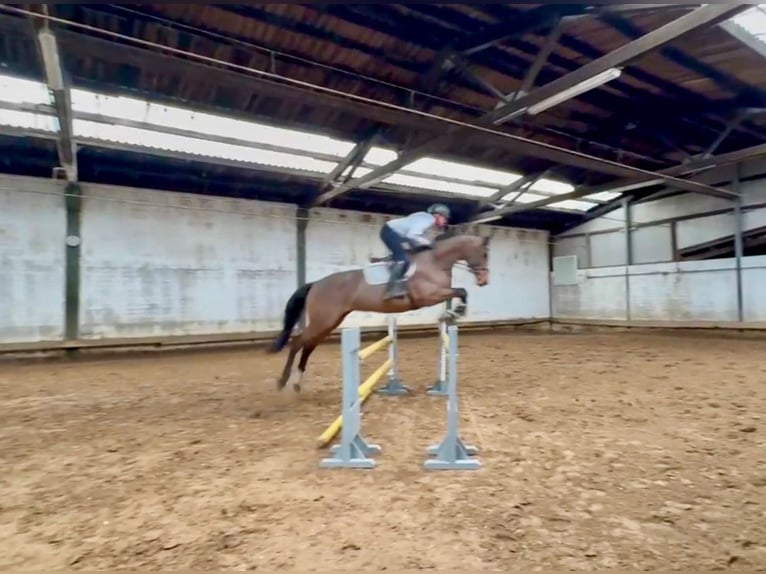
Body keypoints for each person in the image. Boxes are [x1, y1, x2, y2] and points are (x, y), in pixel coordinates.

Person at [379, 203, 451, 298]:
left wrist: (428, 244)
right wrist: (429, 243)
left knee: (410, 253)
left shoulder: (425, 220)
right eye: (445, 218)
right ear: (438, 215)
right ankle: (391, 290)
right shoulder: (428, 219)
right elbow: (412, 235)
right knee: (403, 259)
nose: (445, 222)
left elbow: (419, 238)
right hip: (390, 232)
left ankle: (392, 263)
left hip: (395, 233)